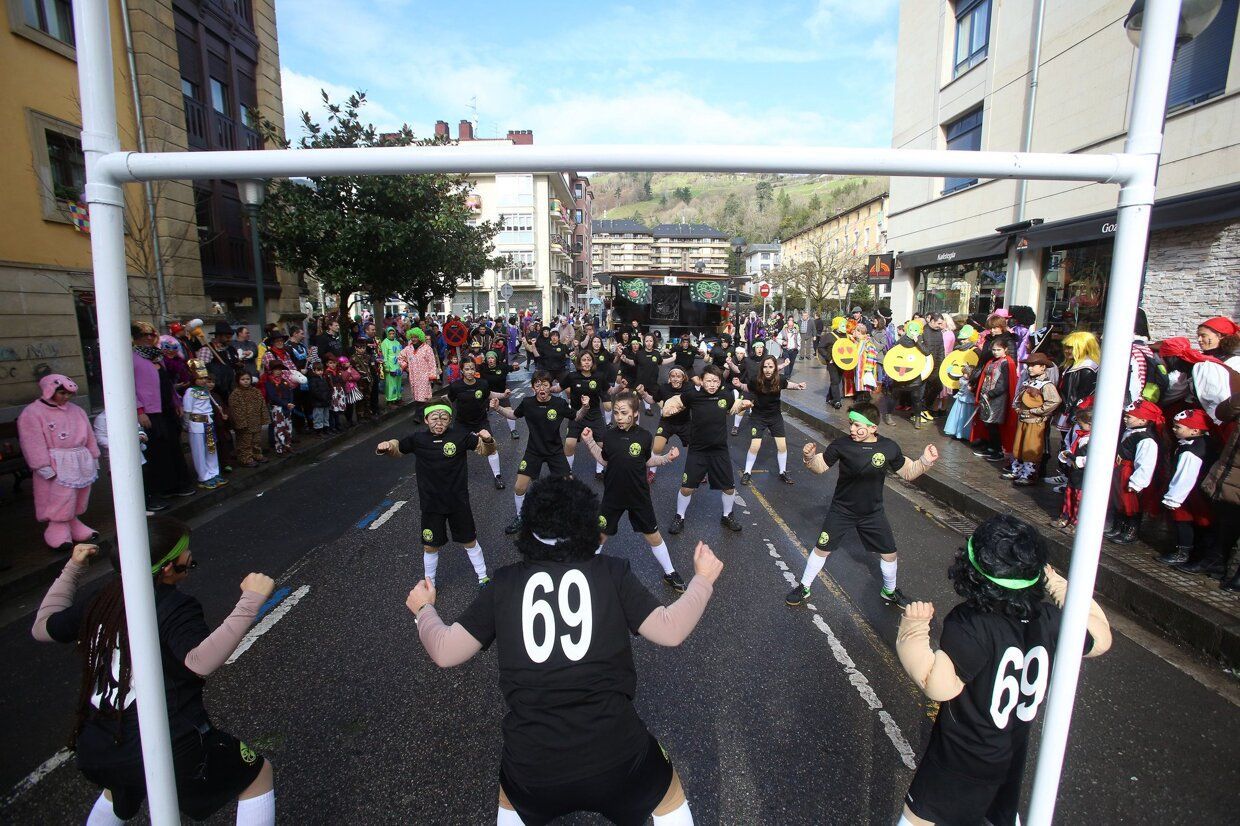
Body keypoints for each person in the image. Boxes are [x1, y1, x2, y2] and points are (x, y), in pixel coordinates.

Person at [408, 476, 721, 826]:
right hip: (617, 752)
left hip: (532, 764)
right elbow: (670, 629)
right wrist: (703, 579)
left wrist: (424, 610)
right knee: (669, 798)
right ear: (588, 526)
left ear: (528, 529)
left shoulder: (504, 583)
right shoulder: (612, 572)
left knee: (512, 801)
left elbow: (446, 650)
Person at [31, 518, 277, 825]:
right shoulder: (174, 607)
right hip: (165, 742)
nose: (190, 557)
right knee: (255, 776)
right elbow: (200, 660)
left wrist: (73, 567)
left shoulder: (102, 598)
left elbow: (43, 628)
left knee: (118, 788)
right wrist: (250, 601)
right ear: (167, 568)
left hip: (102, 742)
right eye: (186, 554)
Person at [894, 515, 1111, 826]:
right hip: (1010, 754)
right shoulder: (1049, 620)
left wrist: (913, 630)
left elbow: (938, 683)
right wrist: (1060, 586)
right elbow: (1100, 638)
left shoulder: (971, 622)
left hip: (959, 761)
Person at [787, 402, 939, 608]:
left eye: (857, 425)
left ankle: (889, 591)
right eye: (851, 424)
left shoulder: (889, 447)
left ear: (872, 428)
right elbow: (820, 467)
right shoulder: (842, 445)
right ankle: (804, 586)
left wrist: (925, 461)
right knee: (822, 549)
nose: (851, 429)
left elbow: (908, 472)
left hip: (872, 513)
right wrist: (809, 457)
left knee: (890, 554)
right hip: (842, 510)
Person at [376, 404, 495, 587]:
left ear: (449, 420)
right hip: (431, 503)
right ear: (426, 420)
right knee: (430, 546)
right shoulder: (418, 439)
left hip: (458, 502)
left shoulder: (460, 436)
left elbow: (485, 450)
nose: (439, 422)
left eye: (444, 418)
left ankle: (483, 577)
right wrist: (387, 446)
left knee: (469, 541)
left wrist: (487, 440)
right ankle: (430, 584)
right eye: (434, 418)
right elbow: (398, 448)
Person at [580, 392, 687, 591]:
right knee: (601, 534)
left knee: (653, 535)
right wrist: (590, 442)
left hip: (639, 496)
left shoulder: (645, 437)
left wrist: (666, 458)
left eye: (624, 413)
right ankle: (586, 570)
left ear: (635, 414)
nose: (619, 417)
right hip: (613, 495)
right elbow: (604, 460)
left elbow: (647, 461)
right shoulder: (609, 435)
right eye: (616, 413)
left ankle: (670, 572)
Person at [657, 365, 752, 535]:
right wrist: (669, 409)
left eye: (715, 381)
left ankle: (727, 515)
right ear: (701, 381)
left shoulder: (725, 395)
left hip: (719, 450)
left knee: (729, 487)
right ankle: (680, 516)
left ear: (720, 382)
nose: (712, 384)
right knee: (687, 488)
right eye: (708, 381)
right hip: (698, 450)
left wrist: (742, 405)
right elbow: (676, 401)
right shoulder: (693, 395)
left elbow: (733, 407)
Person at [17, 374, 101, 551]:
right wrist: (41, 465)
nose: (66, 397)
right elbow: (32, 440)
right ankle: (57, 528)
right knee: (59, 497)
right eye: (62, 393)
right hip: (56, 462)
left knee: (79, 494)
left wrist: (93, 456)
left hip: (79, 459)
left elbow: (89, 434)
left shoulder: (77, 410)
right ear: (49, 391)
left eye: (69, 394)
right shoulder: (33, 413)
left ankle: (73, 522)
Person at [495, 371, 575, 535]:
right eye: (538, 384)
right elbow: (513, 415)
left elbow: (576, 416)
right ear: (533, 388)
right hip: (534, 451)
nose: (542, 388)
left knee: (569, 484)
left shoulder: (559, 403)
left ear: (550, 387)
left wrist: (586, 408)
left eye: (545, 384)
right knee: (519, 486)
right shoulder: (528, 403)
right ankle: (521, 517)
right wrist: (497, 408)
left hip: (555, 451)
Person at [133, 322, 195, 508]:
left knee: (173, 446)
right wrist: (139, 411)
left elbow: (166, 383)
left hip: (167, 408)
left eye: (152, 334)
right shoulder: (131, 358)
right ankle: (159, 490)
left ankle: (176, 484)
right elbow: (129, 388)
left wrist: (177, 401)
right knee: (156, 451)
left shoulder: (157, 357)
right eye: (145, 335)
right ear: (136, 337)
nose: (150, 338)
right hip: (150, 411)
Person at [734, 354, 806, 485]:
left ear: (775, 368)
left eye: (771, 367)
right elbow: (747, 388)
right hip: (758, 417)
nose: (767, 369)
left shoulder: (780, 379)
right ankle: (747, 472)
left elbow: (788, 384)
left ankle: (782, 472)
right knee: (755, 446)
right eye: (765, 367)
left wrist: (798, 386)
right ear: (762, 368)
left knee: (782, 446)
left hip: (775, 417)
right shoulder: (756, 380)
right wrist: (739, 385)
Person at [1158, 408, 1214, 568]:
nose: (1174, 429)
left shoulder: (1190, 452)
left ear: (1195, 430)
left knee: (1183, 520)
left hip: (1188, 494)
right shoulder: (1202, 443)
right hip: (1197, 492)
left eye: (1178, 427)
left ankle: (1183, 552)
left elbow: (1185, 477)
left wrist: (1173, 499)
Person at [1107, 400, 1162, 545]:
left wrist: (1137, 482)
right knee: (1119, 500)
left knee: (1131, 504)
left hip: (1129, 472)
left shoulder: (1146, 440)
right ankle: (1119, 526)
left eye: (1129, 417)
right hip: (1120, 470)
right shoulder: (1130, 431)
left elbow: (1145, 463)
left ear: (1143, 420)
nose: (1125, 419)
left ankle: (1131, 531)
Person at [448, 360, 509, 490]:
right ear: (462, 371)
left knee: (491, 447)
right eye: (467, 369)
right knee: (455, 450)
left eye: (472, 369)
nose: (470, 371)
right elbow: (449, 401)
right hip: (462, 423)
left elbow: (490, 394)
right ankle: (453, 478)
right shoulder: (455, 386)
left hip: (480, 422)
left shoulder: (483, 383)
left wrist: (503, 395)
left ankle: (497, 477)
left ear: (475, 370)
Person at [1002, 353, 1061, 487]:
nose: (1030, 368)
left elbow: (1054, 401)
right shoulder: (1028, 381)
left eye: (1034, 365)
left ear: (1043, 368)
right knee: (1019, 446)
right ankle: (1017, 470)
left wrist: (1037, 411)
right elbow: (1019, 397)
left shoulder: (1046, 385)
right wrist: (1016, 407)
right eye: (1029, 365)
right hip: (1023, 420)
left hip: (1035, 422)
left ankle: (1029, 474)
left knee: (1031, 448)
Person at [561, 351, 609, 479]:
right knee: (569, 444)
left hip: (594, 413)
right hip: (577, 414)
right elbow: (558, 388)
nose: (586, 362)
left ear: (592, 362)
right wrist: (546, 387)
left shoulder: (599, 376)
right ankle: (568, 471)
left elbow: (610, 390)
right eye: (584, 360)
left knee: (602, 445)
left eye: (589, 360)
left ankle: (599, 471)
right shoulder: (572, 376)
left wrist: (621, 386)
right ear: (579, 362)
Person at [182, 360, 228, 490]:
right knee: (199, 452)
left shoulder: (205, 391)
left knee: (211, 449)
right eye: (200, 378)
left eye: (204, 378)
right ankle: (203, 476)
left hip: (209, 423)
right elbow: (187, 411)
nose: (203, 381)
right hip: (197, 425)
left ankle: (214, 473)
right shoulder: (190, 392)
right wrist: (186, 425)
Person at [971, 335, 1017, 463]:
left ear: (1005, 349)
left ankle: (998, 450)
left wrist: (990, 394)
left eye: (998, 350)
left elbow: (1004, 384)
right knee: (988, 423)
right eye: (994, 350)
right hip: (987, 397)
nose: (996, 352)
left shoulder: (1007, 362)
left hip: (998, 399)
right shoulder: (992, 361)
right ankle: (992, 447)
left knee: (994, 424)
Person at [1051, 409, 1091, 532]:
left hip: (1084, 472)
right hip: (1073, 469)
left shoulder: (1095, 438)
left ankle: (1077, 521)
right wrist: (1066, 453)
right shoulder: (1076, 431)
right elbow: (1068, 443)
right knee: (1069, 493)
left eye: (1081, 423)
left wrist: (1078, 460)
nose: (1078, 425)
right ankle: (1066, 515)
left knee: (1080, 497)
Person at [228, 369, 269, 467]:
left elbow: (262, 405)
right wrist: (240, 423)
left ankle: (257, 455)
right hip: (244, 423)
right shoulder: (235, 394)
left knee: (256, 441)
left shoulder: (256, 391)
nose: (246, 381)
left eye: (248, 379)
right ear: (238, 380)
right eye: (243, 379)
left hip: (256, 421)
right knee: (245, 442)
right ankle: (245, 458)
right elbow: (235, 411)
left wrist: (264, 418)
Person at [399, 327, 440, 422]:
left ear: (420, 337)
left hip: (424, 377)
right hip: (413, 377)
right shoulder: (408, 349)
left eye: (416, 337)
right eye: (412, 337)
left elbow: (432, 363)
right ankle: (427, 414)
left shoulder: (427, 349)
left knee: (422, 397)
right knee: (418, 397)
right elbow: (400, 357)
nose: (413, 339)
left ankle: (418, 416)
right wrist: (406, 367)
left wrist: (432, 377)